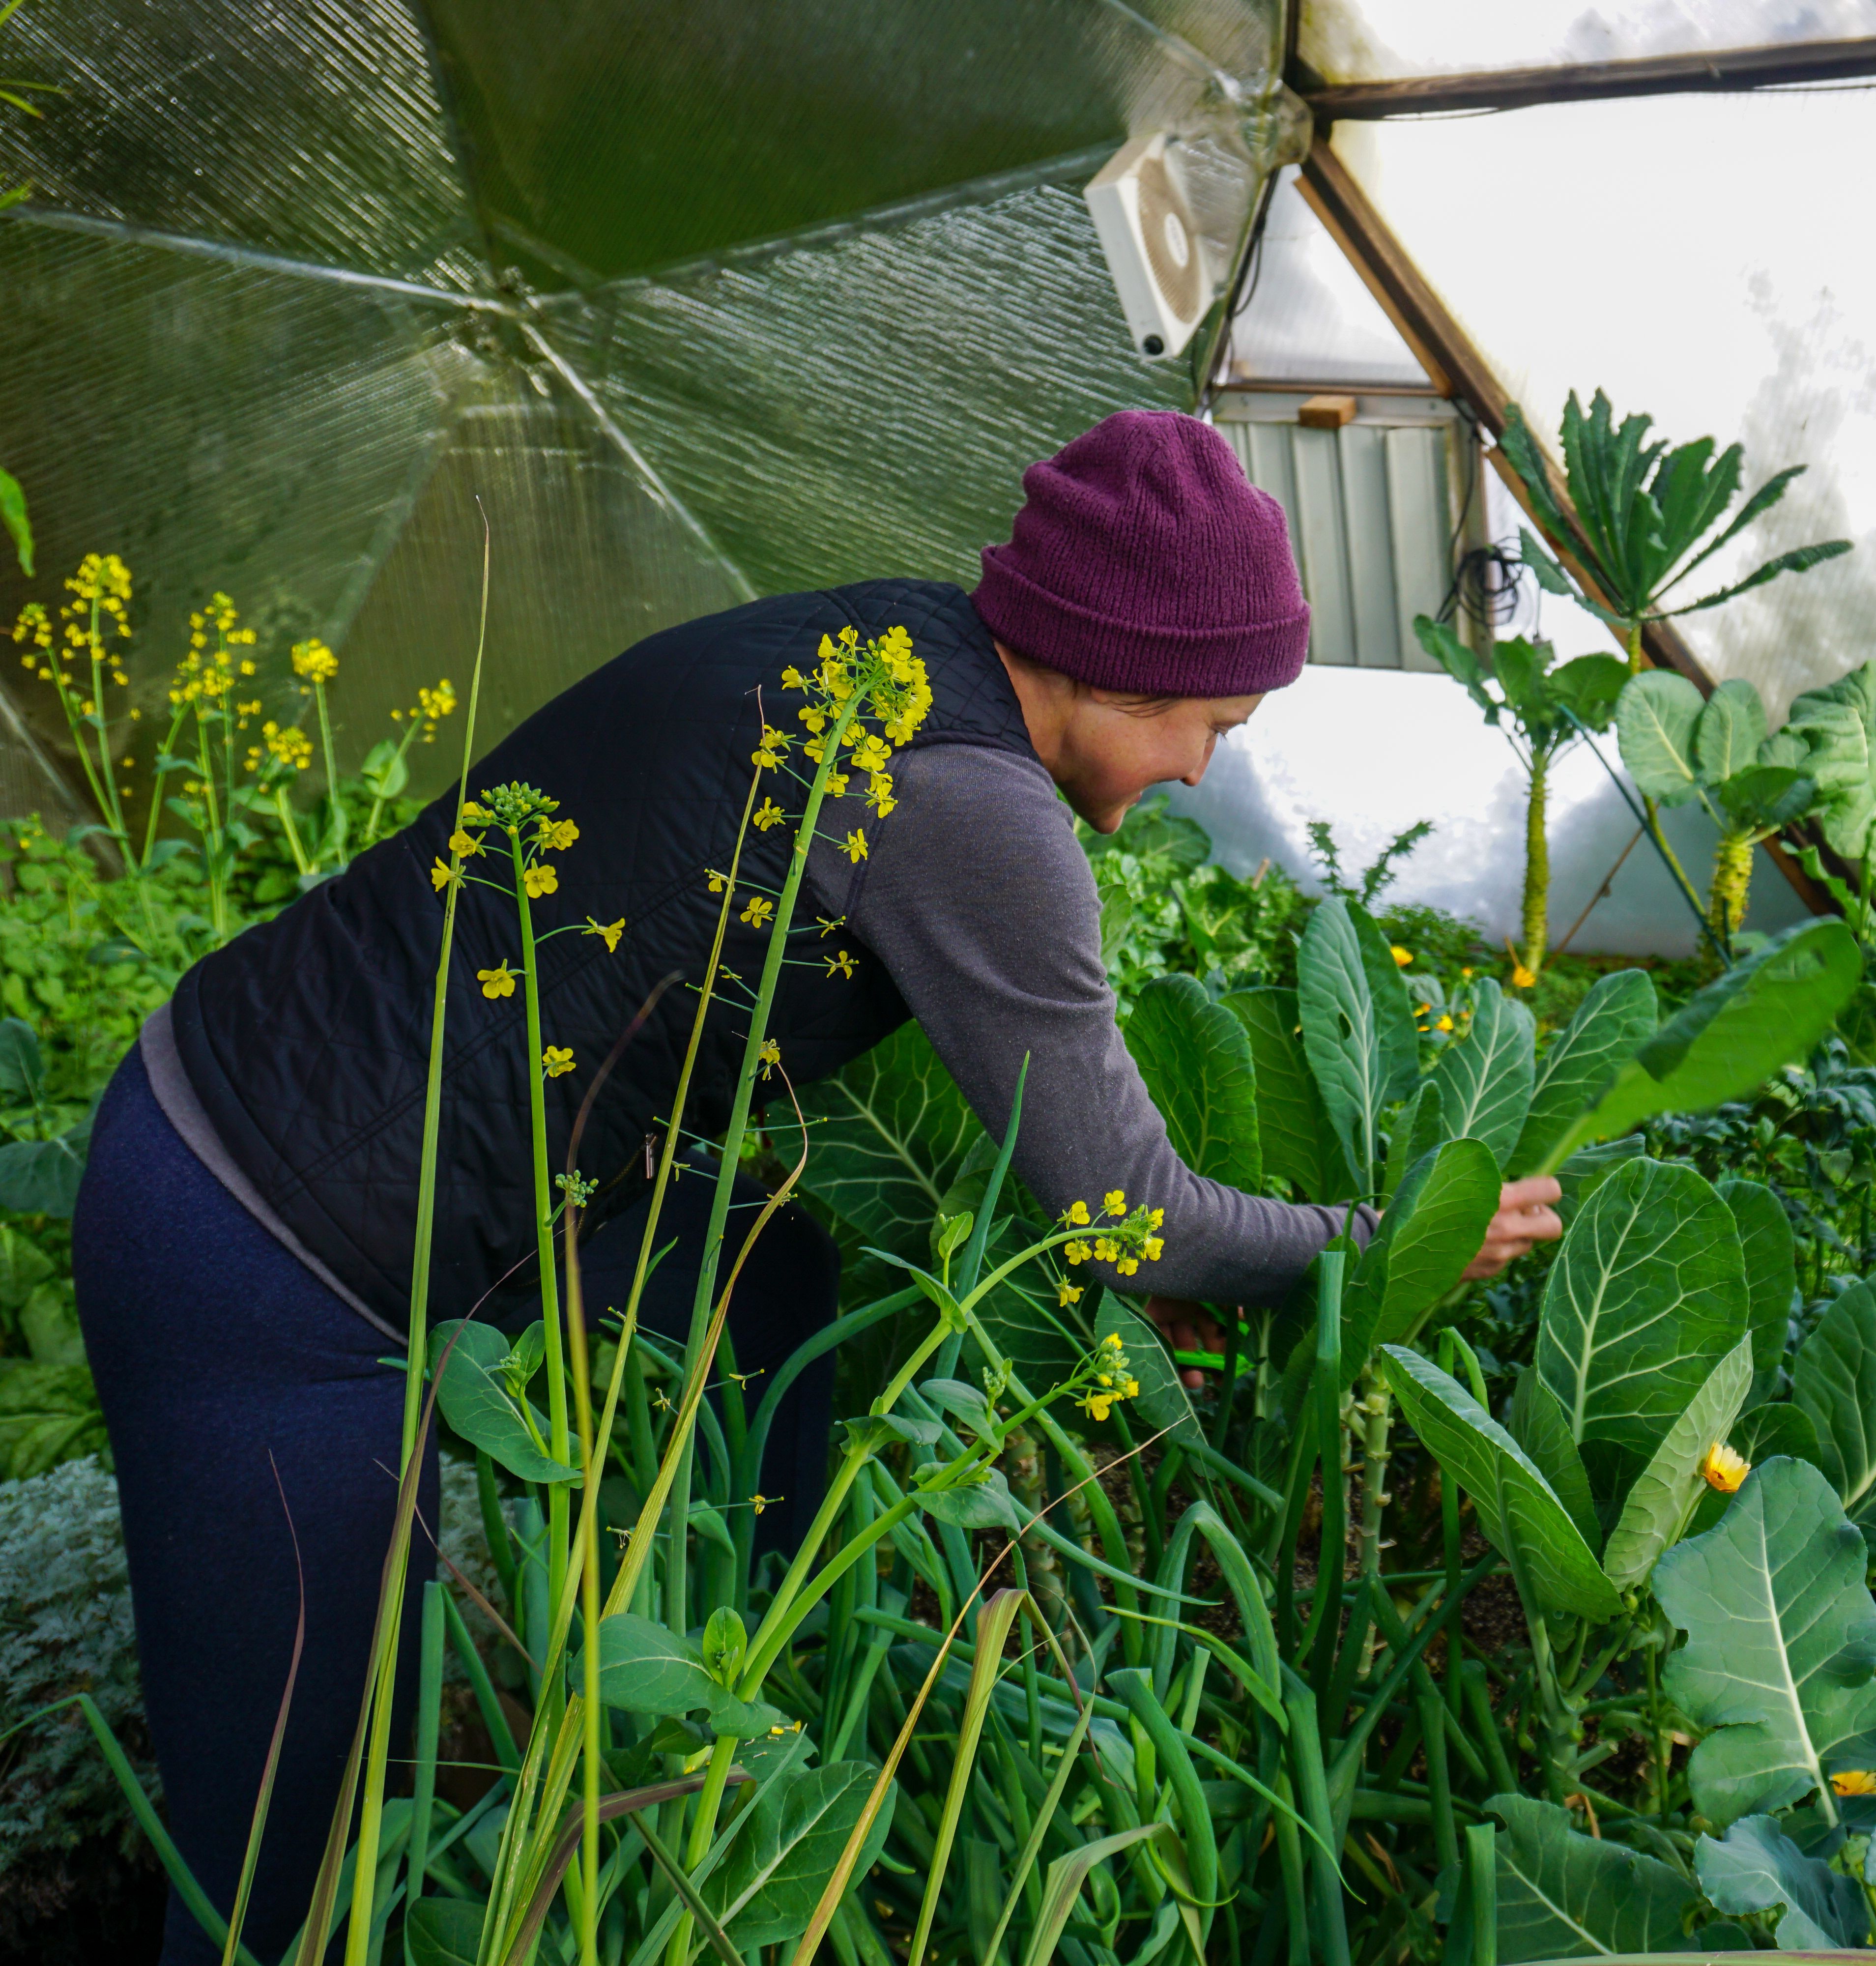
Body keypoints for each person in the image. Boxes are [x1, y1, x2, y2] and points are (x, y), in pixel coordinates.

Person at [70, 410, 1564, 1965]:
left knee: (764, 1274)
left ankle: (755, 1692)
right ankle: (701, 1730)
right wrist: (1394, 1243)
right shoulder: (969, 810)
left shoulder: (886, 645)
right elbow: (1127, 1207)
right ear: (1106, 666)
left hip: (298, 1096)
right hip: (260, 1244)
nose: (1199, 770)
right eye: (1209, 725)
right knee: (285, 1856)